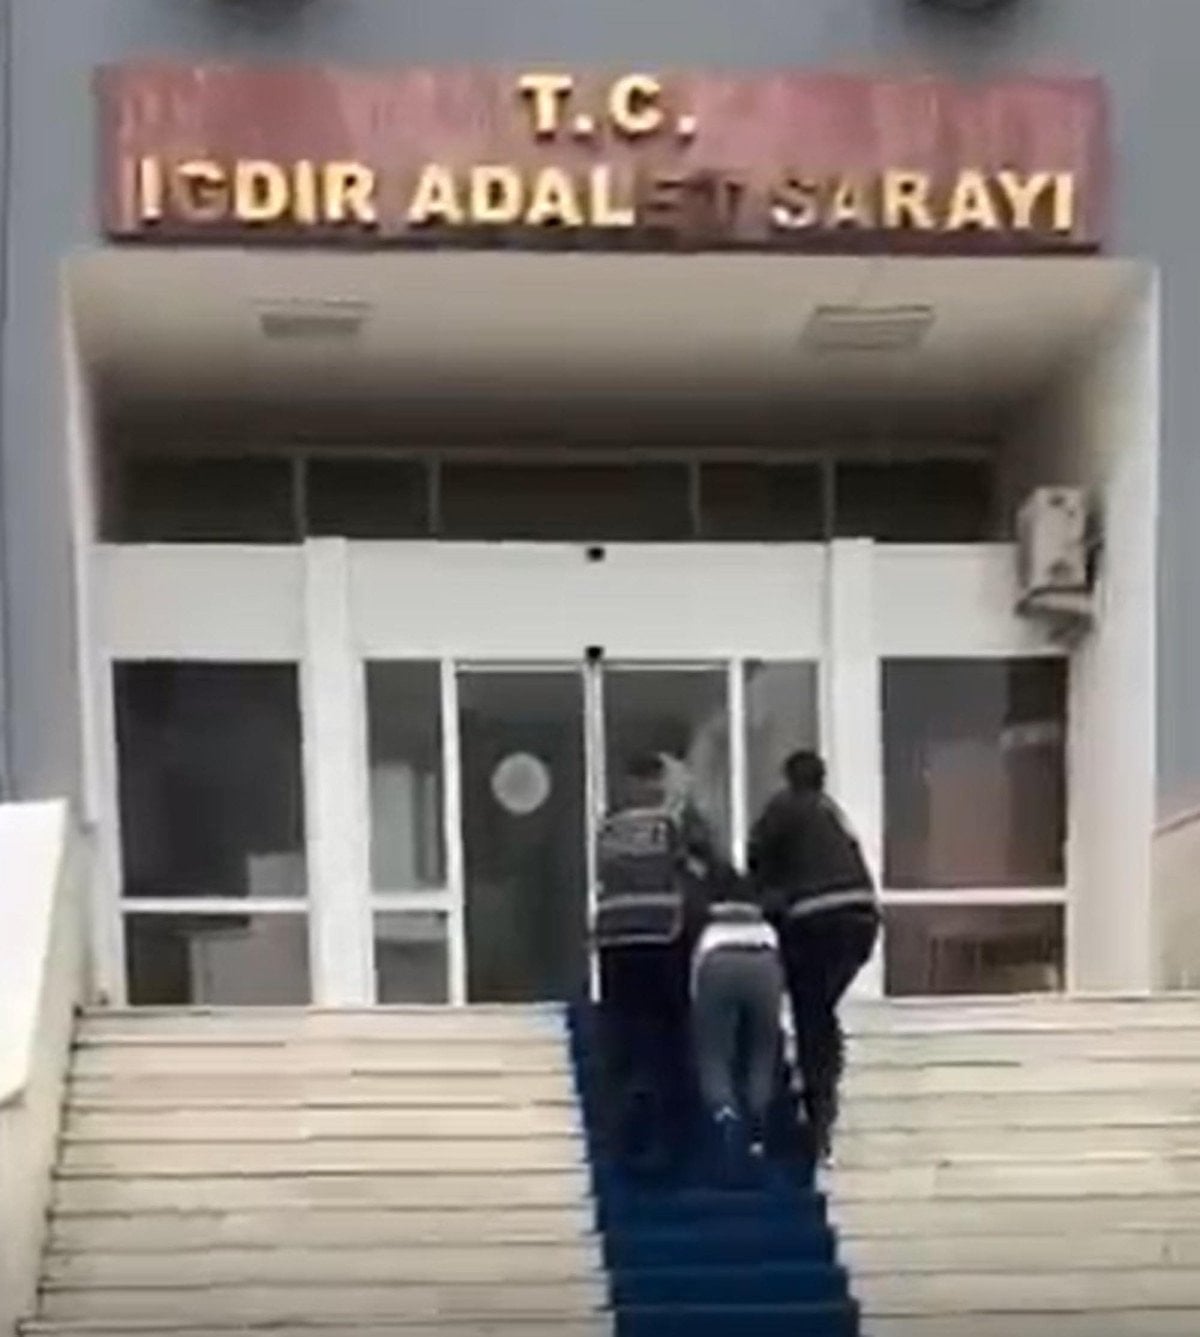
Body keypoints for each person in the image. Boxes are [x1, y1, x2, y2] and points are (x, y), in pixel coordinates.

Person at [748, 750, 879, 1165]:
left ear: (788, 778)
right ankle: (825, 1082)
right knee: (820, 1006)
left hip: (815, 919)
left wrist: (762, 903)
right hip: (861, 918)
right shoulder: (832, 813)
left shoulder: (783, 808)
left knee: (810, 1012)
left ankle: (818, 1105)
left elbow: (757, 859)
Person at [593, 750, 716, 1176]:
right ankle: (670, 1141)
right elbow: (703, 863)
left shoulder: (609, 828)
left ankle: (621, 1136)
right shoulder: (669, 824)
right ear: (657, 783)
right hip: (661, 934)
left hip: (615, 938)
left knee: (623, 1038)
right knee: (669, 1037)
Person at [690, 862, 784, 1185]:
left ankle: (724, 1113)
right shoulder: (763, 921)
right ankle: (758, 1118)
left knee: (714, 1052)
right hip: (765, 959)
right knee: (762, 1049)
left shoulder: (708, 920)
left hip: (716, 959)